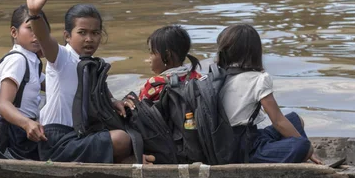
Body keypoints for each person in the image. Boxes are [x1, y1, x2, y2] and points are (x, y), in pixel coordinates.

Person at [23, 0, 154, 164]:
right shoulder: (62, 57)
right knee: (122, 139)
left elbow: (95, 90)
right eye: (82, 33)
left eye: (95, 33)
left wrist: (113, 101)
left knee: (133, 142)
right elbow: (44, 38)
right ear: (67, 36)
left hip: (80, 135)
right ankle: (137, 163)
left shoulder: (92, 65)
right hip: (56, 139)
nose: (89, 39)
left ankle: (137, 164)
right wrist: (35, 14)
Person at [216, 23, 322, 164]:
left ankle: (296, 154)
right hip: (246, 149)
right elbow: (278, 121)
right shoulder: (259, 79)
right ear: (254, 52)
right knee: (303, 146)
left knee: (295, 119)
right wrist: (309, 151)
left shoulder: (216, 77)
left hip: (225, 145)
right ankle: (301, 158)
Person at [0, 4, 48, 160]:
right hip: (12, 134)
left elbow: (54, 86)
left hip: (19, 130)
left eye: (40, 29)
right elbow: (3, 105)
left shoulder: (31, 59)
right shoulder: (17, 60)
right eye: (30, 28)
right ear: (14, 32)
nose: (36, 34)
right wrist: (27, 124)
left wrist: (52, 55)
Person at [123, 25, 201, 110]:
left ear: (167, 55)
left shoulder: (155, 83)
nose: (148, 59)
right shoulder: (197, 77)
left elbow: (140, 111)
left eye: (151, 53)